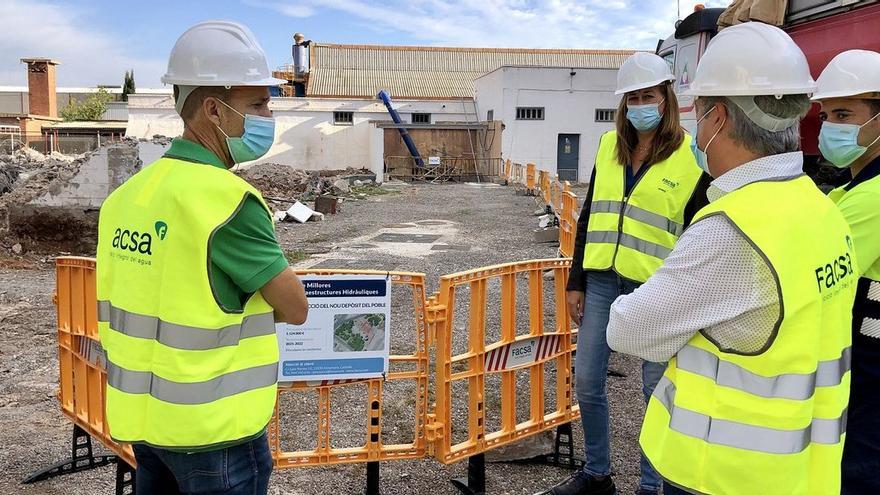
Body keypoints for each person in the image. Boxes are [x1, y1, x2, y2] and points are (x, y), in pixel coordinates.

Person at [606, 22, 857, 495]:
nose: (696, 129)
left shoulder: (733, 229)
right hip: (802, 470)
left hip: (720, 473)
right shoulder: (822, 210)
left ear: (718, 118)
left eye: (698, 114)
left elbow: (629, 329)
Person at [96, 21, 309, 495]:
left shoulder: (126, 198)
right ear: (213, 109)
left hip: (145, 423)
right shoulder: (227, 201)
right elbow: (295, 309)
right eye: (258, 104)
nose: (268, 115)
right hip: (216, 434)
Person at [543, 52, 710, 495]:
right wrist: (576, 280)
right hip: (601, 282)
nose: (640, 104)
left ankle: (651, 486)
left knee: (656, 391)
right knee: (587, 379)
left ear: (666, 99)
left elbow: (700, 231)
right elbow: (591, 213)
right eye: (632, 97)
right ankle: (598, 474)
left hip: (658, 289)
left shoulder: (691, 157)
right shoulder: (607, 147)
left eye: (648, 95)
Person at [811, 49, 880, 495]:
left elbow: (807, 267)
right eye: (825, 115)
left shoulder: (872, 198)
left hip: (872, 370)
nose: (829, 127)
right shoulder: (852, 189)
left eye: (843, 113)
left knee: (857, 472)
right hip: (861, 363)